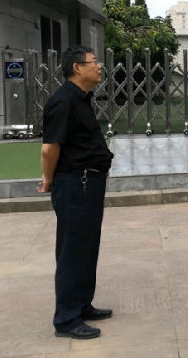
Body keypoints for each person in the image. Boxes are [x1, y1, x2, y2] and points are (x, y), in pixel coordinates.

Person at [40, 45, 114, 340]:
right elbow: (49, 149)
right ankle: (67, 319)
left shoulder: (80, 98)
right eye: (94, 62)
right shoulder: (63, 102)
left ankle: (82, 304)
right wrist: (48, 180)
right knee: (73, 250)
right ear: (77, 68)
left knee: (86, 246)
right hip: (75, 184)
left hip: (89, 182)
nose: (99, 67)